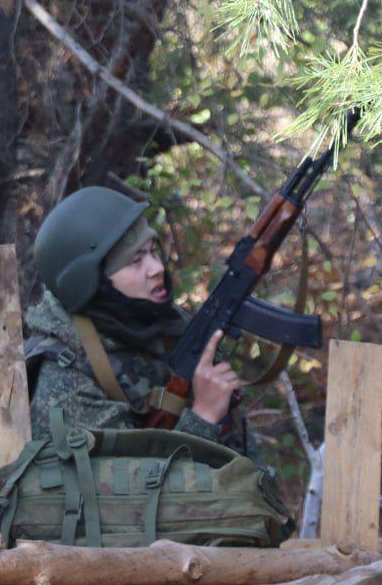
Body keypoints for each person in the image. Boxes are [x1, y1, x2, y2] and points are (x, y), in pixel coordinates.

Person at [26, 186, 249, 453]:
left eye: (153, 251)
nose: (156, 268)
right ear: (91, 283)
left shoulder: (162, 327)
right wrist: (203, 418)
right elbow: (125, 491)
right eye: (135, 261)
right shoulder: (66, 384)